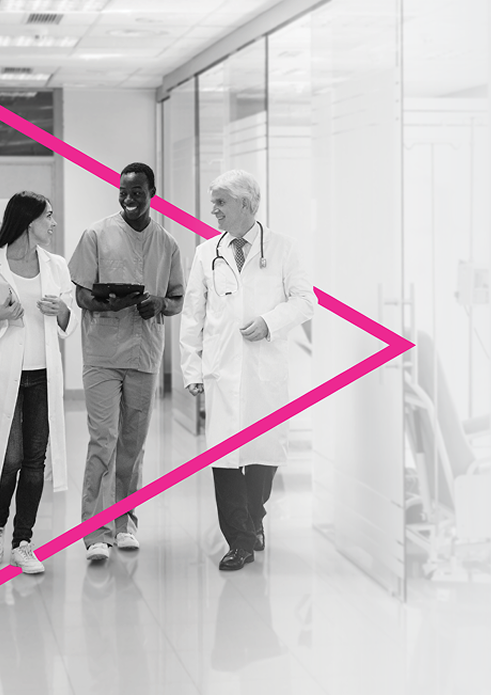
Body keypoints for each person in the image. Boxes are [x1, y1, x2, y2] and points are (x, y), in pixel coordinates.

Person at [180, 170, 316, 571]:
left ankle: (254, 519)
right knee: (224, 457)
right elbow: (193, 315)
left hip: (264, 369)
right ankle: (239, 540)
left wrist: (270, 322)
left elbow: (306, 301)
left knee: (262, 455)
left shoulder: (283, 248)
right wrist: (191, 369)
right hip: (221, 370)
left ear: (245, 204)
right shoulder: (207, 252)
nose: (214, 210)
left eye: (221, 202)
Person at [68, 162, 185, 562]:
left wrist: (160, 304)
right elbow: (81, 294)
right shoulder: (96, 235)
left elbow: (177, 299)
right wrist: (108, 303)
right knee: (104, 439)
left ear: (153, 193)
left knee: (132, 445)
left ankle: (125, 523)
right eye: (123, 192)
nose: (129, 199)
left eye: (137, 192)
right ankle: (95, 532)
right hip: (101, 353)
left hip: (143, 353)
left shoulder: (167, 244)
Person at [0, 191, 78, 575]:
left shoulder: (56, 266)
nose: (53, 224)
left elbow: (70, 318)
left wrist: (61, 310)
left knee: (34, 461)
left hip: (42, 375)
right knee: (7, 458)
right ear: (29, 222)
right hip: (3, 374)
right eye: (48, 217)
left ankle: (23, 542)